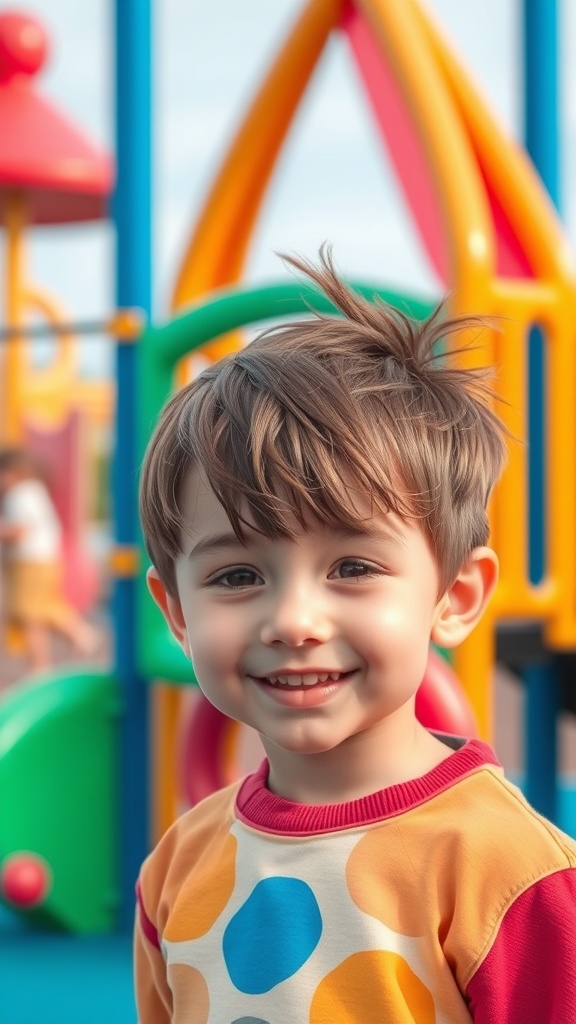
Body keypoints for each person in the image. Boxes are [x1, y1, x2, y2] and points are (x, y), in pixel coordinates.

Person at [134, 249, 576, 1023]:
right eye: (238, 576)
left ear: (454, 596)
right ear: (176, 612)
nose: (295, 621)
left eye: (352, 566)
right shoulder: (178, 865)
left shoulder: (508, 871)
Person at [0, 446, 100, 673]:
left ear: (14, 472)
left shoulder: (21, 494)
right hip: (42, 560)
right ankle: (81, 635)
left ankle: (40, 664)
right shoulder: (34, 491)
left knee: (31, 615)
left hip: (31, 562)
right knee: (44, 607)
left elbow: (19, 531)